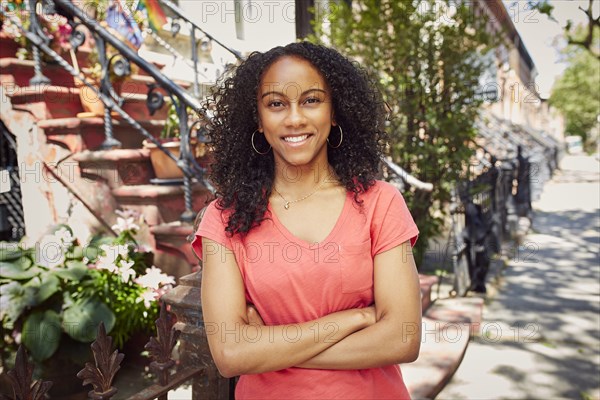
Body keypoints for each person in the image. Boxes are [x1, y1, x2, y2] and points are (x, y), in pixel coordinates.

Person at [192, 41, 422, 399]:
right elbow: (231, 353)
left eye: (312, 100)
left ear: (334, 111)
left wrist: (270, 348)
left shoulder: (381, 203)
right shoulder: (225, 219)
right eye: (276, 104)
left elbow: (403, 338)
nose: (295, 118)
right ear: (258, 118)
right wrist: (355, 320)